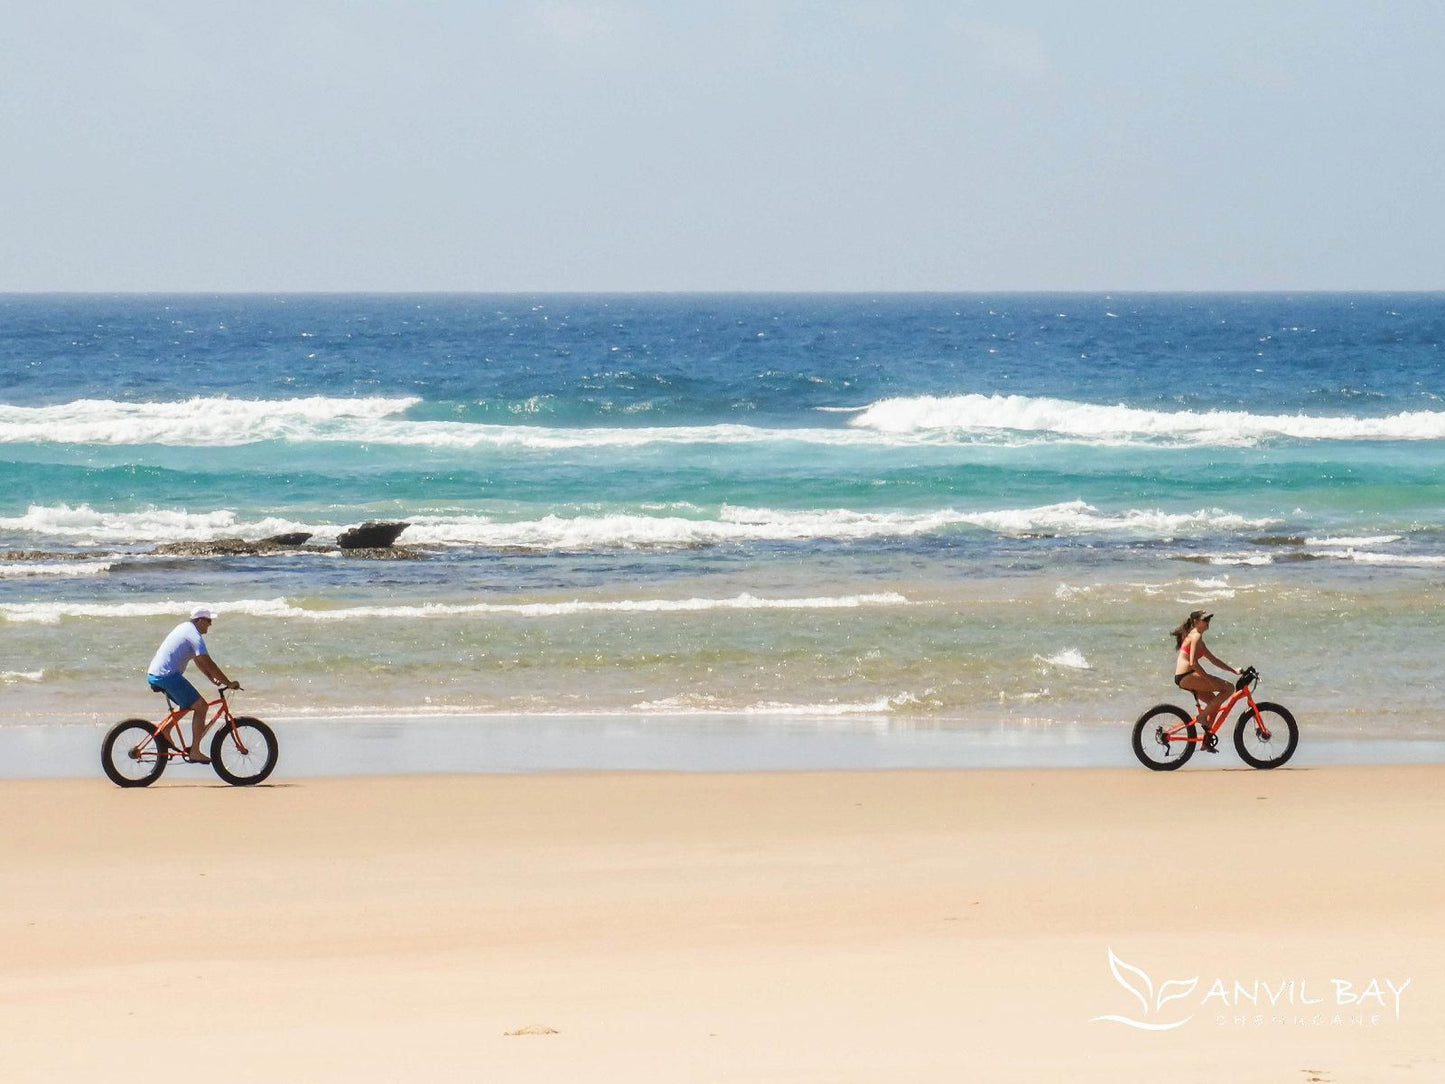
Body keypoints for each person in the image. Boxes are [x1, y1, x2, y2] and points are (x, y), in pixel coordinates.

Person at [146, 607, 240, 763]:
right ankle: (195, 751)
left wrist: (211, 677)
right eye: (209, 621)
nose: (210, 625)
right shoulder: (194, 635)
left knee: (189, 704)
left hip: (156, 675)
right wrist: (228, 683)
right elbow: (208, 661)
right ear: (200, 620)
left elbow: (199, 660)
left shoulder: (185, 628)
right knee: (202, 706)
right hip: (167, 676)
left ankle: (166, 730)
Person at [1170, 610, 1238, 751]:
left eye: (1209, 619)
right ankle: (1202, 717)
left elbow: (1214, 660)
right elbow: (1193, 662)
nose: (1208, 622)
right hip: (1187, 675)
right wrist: (1209, 680)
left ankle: (1206, 741)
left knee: (1215, 705)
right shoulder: (1195, 636)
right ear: (1196, 622)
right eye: (1205, 619)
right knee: (1229, 688)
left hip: (1186, 677)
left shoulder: (1198, 638)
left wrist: (1233, 670)